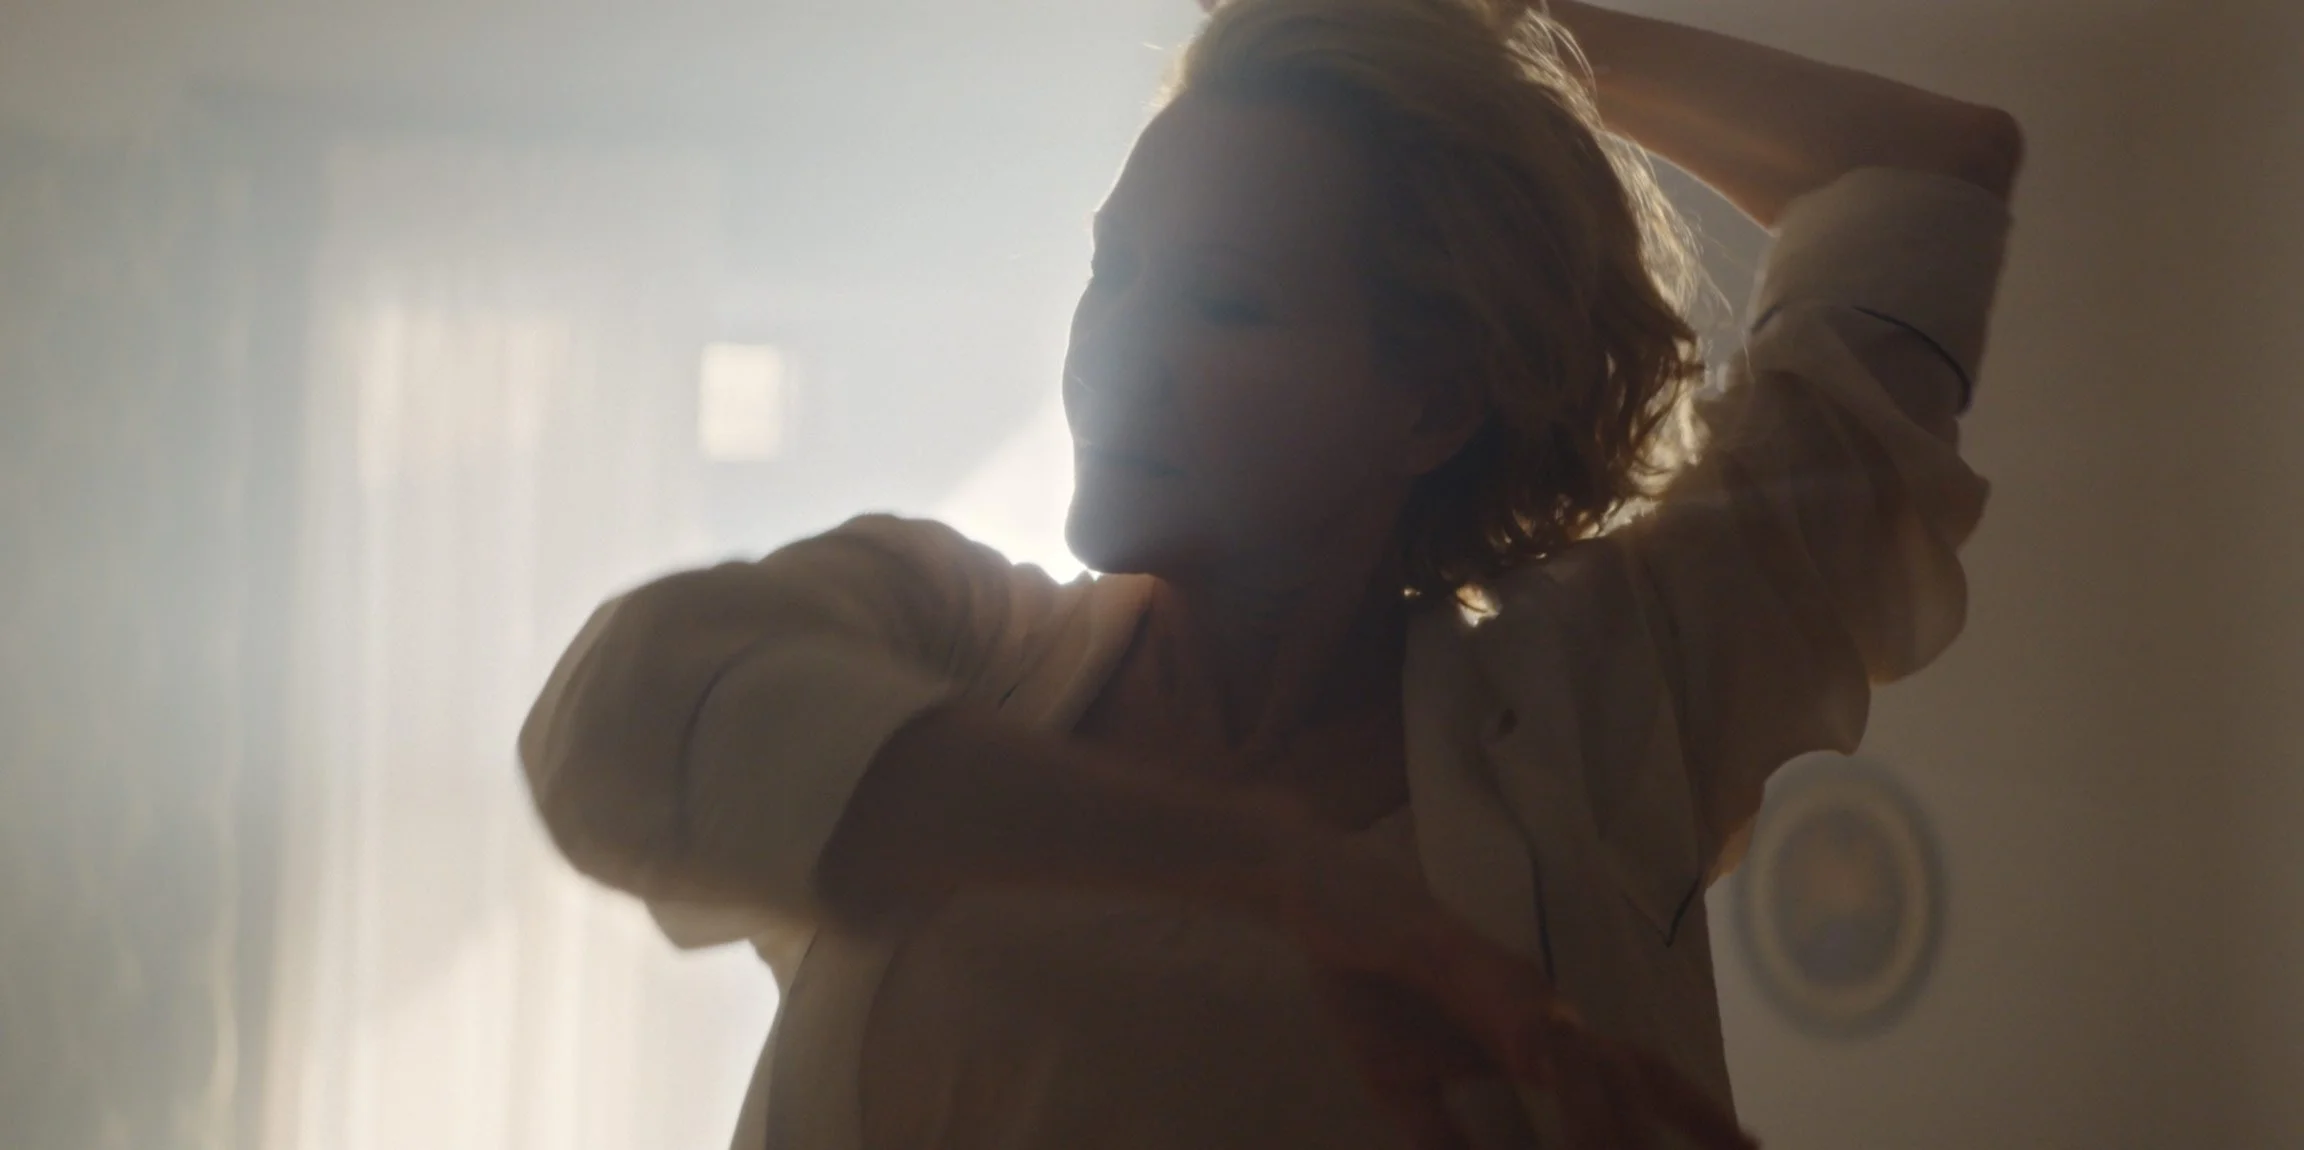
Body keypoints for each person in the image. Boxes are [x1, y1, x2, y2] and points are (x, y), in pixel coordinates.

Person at [519, 0, 2021, 1145]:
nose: (1116, 347)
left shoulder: (1604, 705)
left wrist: (1472, 17)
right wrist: (1283, 875)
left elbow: (1923, 180)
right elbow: (616, 717)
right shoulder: (954, 642)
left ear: (1429, 401)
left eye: (1225, 300)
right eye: (1111, 269)